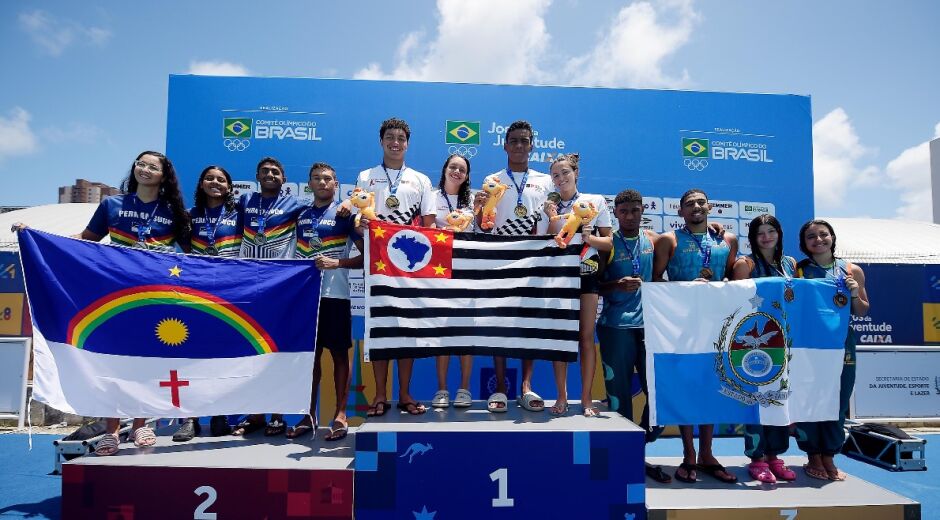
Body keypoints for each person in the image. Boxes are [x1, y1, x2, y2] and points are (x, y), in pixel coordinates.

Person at [16, 151, 191, 455]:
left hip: (153, 296)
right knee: (111, 359)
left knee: (145, 360)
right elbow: (84, 241)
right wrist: (37, 235)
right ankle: (111, 429)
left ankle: (140, 425)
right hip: (114, 296)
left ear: (164, 175)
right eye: (141, 164)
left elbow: (192, 254)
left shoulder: (174, 211)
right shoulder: (111, 204)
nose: (145, 169)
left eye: (153, 166)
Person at [339, 117, 436, 416]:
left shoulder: (421, 180)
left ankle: (404, 393)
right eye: (390, 137)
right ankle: (380, 395)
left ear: (407, 144)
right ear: (381, 141)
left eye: (401, 138)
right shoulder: (366, 175)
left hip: (408, 267)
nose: (395, 142)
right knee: (379, 329)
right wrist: (358, 220)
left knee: (407, 330)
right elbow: (356, 218)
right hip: (378, 263)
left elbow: (430, 225)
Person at [652, 188, 738, 484]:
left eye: (701, 202)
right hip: (682, 326)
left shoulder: (727, 240)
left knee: (712, 386)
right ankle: (689, 453)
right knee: (687, 388)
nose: (696, 207)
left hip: (717, 327)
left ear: (710, 207)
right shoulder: (669, 240)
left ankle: (707, 454)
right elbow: (655, 284)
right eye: (689, 204)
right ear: (680, 212)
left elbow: (732, 282)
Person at [476, 120, 553, 414]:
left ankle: (526, 386)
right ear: (505, 145)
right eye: (514, 141)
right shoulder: (492, 179)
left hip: (535, 260)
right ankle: (500, 387)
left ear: (532, 146)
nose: (520, 146)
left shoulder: (546, 181)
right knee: (501, 324)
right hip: (501, 259)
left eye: (525, 141)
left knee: (528, 323)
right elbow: (483, 225)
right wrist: (481, 208)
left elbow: (558, 218)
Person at [596, 189, 672, 482]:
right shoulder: (607, 243)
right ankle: (629, 459)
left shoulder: (655, 241)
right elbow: (595, 284)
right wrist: (616, 285)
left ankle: (640, 442)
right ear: (615, 213)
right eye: (624, 211)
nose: (629, 216)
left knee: (660, 393)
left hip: (651, 328)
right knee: (619, 395)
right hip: (615, 327)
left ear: (643, 211)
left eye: (635, 210)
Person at [286, 162, 363, 441]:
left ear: (335, 184)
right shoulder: (300, 214)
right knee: (310, 359)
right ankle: (309, 414)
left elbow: (367, 257)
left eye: (327, 178)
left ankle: (340, 414)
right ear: (309, 184)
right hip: (306, 297)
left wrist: (337, 262)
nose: (322, 182)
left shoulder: (346, 215)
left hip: (336, 296)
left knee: (340, 356)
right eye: (316, 178)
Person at [232, 156, 306, 437]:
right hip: (248, 287)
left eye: (276, 171)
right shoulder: (244, 201)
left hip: (279, 287)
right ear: (257, 175)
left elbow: (325, 215)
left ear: (284, 179)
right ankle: (254, 415)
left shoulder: (296, 204)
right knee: (252, 350)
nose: (270, 174)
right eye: (265, 171)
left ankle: (277, 414)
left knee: (277, 351)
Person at [172, 165, 243, 442]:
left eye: (221, 179)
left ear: (229, 186)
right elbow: (187, 253)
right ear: (201, 184)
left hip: (230, 296)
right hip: (196, 295)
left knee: (224, 357)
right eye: (210, 178)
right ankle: (189, 419)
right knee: (193, 357)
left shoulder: (240, 216)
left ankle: (219, 415)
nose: (215, 183)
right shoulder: (189, 217)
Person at [794, 219, 869, 481]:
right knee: (809, 399)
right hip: (808, 346)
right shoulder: (797, 270)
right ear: (804, 244)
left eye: (823, 235)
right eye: (811, 236)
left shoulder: (851, 270)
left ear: (832, 237)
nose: (818, 240)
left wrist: (856, 292)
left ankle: (829, 455)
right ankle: (812, 455)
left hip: (841, 344)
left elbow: (861, 310)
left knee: (838, 399)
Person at [542, 153, 612, 416]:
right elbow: (548, 241)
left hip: (587, 272)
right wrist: (551, 218)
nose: (560, 179)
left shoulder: (594, 201)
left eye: (565, 173)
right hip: (558, 274)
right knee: (561, 337)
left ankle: (586, 399)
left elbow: (608, 243)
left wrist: (589, 237)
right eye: (556, 176)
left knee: (585, 338)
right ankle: (561, 396)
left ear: (576, 173)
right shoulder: (549, 205)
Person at [730, 214, 798, 483]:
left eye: (771, 231)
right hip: (754, 346)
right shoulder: (744, 265)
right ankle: (757, 458)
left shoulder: (790, 264)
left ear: (779, 233)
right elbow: (735, 305)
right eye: (760, 233)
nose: (766, 237)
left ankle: (775, 457)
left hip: (784, 343)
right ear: (753, 238)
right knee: (756, 403)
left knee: (780, 400)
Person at [430, 154, 475, 409]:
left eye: (462, 169)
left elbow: (482, 234)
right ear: (445, 169)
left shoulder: (473, 202)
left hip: (466, 272)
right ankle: (442, 389)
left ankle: (465, 388)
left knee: (465, 332)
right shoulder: (431, 196)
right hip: (438, 273)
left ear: (467, 176)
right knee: (443, 333)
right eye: (453, 167)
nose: (457, 171)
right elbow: (424, 230)